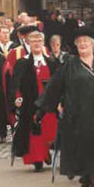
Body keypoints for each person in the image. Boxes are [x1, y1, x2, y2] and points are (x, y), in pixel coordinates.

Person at [38, 27, 94, 187]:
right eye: (79, 42)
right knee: (84, 147)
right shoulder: (70, 64)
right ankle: (93, 183)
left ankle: (89, 179)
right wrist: (44, 107)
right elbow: (55, 85)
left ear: (93, 45)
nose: (82, 44)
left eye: (86, 41)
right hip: (77, 113)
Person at [10, 27, 59, 172]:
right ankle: (38, 159)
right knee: (35, 131)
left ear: (43, 43)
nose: (37, 43)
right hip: (31, 101)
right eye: (33, 41)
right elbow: (16, 83)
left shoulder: (51, 61)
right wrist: (18, 97)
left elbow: (58, 81)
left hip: (48, 102)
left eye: (39, 41)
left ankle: (47, 153)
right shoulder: (22, 63)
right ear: (28, 43)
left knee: (49, 129)